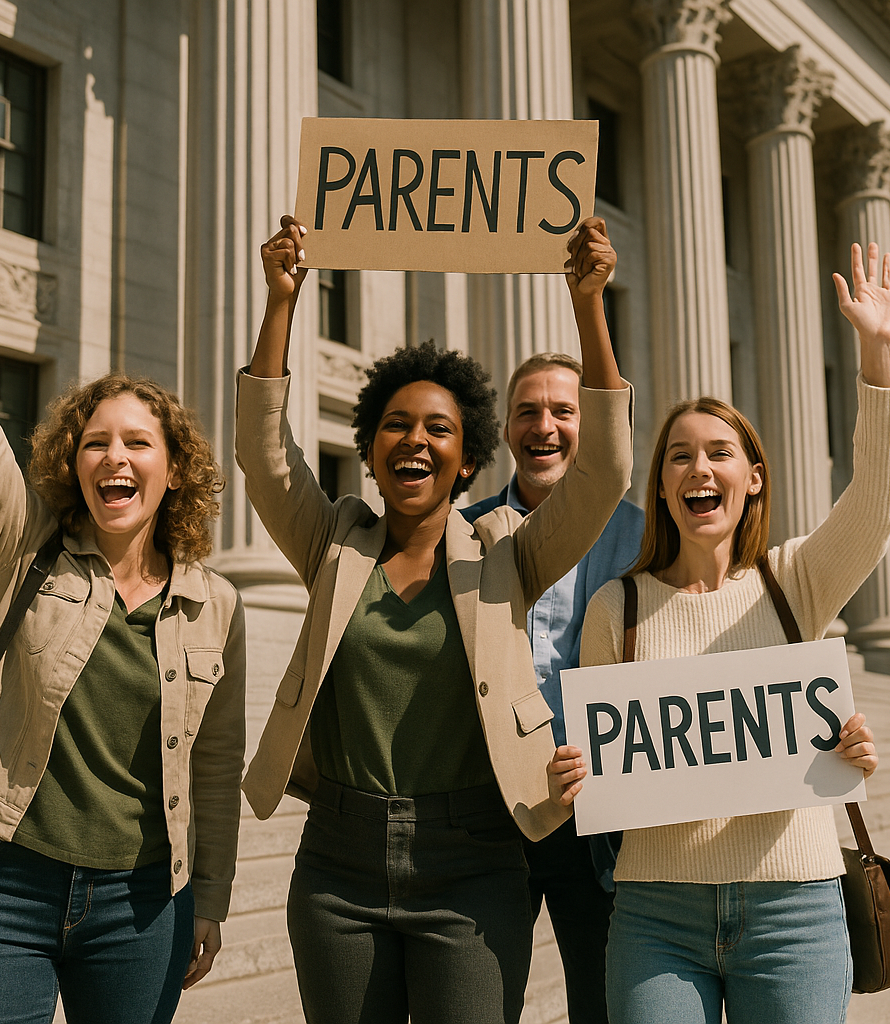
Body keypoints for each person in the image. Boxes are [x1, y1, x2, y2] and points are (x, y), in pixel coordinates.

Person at [235, 213, 633, 1024]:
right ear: (371, 445)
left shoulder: (508, 550)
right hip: (338, 865)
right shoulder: (333, 540)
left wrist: (588, 305)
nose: (415, 440)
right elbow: (265, 455)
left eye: (439, 429)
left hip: (476, 862)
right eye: (396, 425)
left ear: (468, 454)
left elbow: (604, 472)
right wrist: (281, 303)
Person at [0, 171, 247, 1024]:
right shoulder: (27, 545)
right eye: (96, 442)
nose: (114, 458)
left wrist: (209, 897)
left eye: (138, 442)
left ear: (175, 470)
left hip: (141, 907)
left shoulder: (216, 606)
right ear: (73, 460)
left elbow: (215, 765)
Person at [550, 239, 890, 1024]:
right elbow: (607, 768)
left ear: (753, 479)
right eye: (679, 457)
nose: (697, 470)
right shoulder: (617, 608)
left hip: (796, 910)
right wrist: (577, 774)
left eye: (719, 454)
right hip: (655, 915)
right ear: (663, 485)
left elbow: (879, 503)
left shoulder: (795, 580)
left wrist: (878, 353)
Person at [461, 351, 643, 1024]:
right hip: (487, 814)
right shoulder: (460, 534)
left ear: (591, 428)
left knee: (604, 1006)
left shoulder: (644, 536)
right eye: (527, 411)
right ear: (506, 430)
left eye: (564, 411)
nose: (545, 426)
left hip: (597, 818)